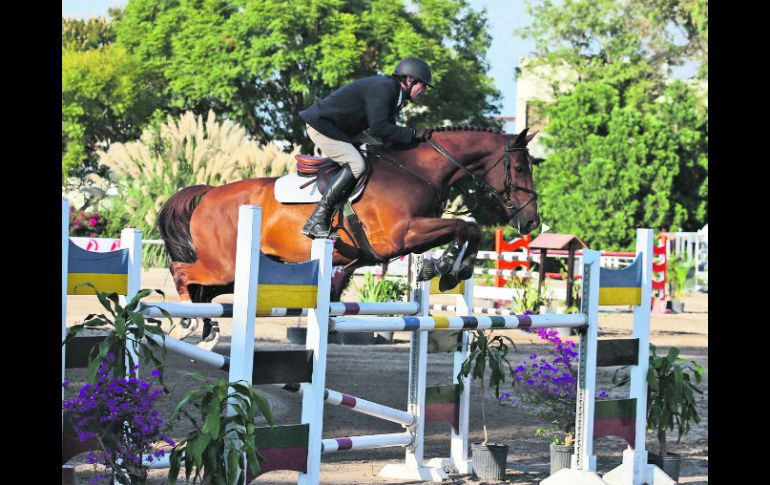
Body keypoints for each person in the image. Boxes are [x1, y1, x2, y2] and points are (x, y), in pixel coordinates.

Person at [298, 57, 434, 239]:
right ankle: (316, 220)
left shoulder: (395, 93)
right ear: (410, 80)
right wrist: (413, 134)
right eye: (423, 85)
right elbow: (379, 128)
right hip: (322, 126)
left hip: (344, 129)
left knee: (381, 154)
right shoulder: (385, 88)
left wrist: (417, 144)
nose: (423, 91)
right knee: (357, 164)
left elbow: (387, 133)